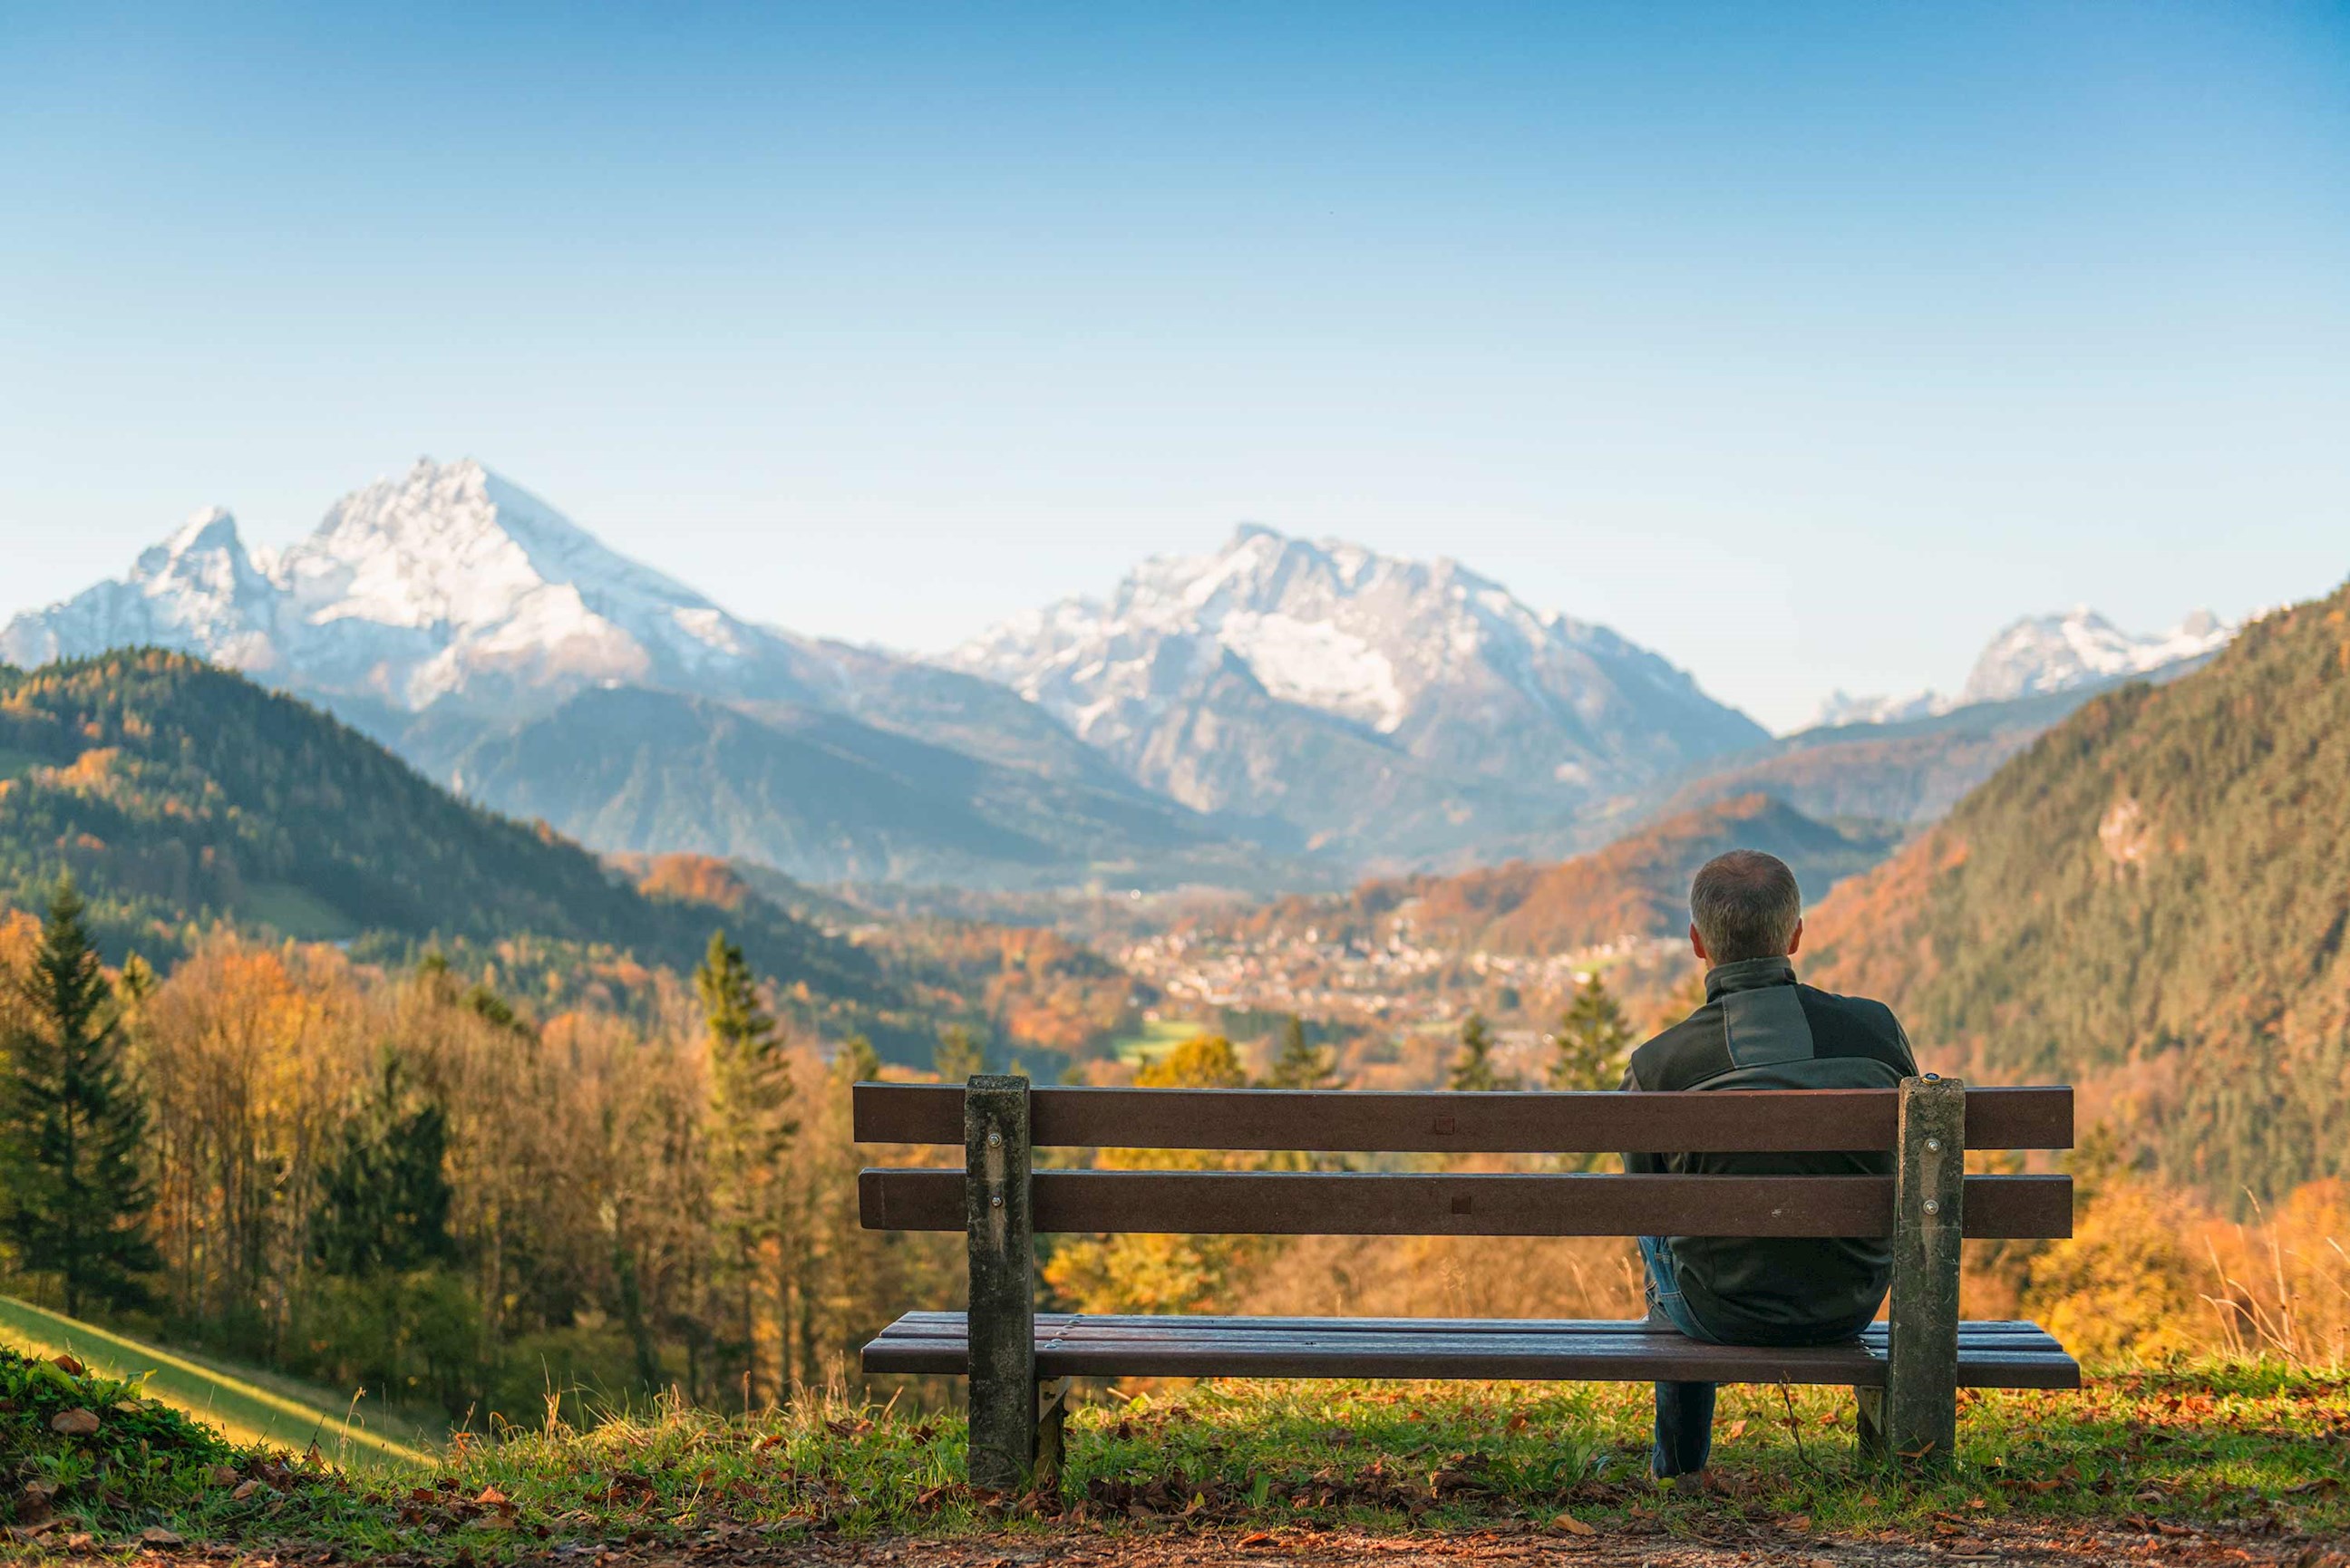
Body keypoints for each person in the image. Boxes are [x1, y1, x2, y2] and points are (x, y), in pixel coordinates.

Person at [1620, 848, 1919, 1484]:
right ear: (1796, 935)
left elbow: (1644, 1205)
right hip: (1851, 1299)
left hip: (1715, 1312)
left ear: (1698, 943)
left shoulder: (1659, 1066)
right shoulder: (1875, 1033)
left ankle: (1677, 1464)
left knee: (1656, 1215)